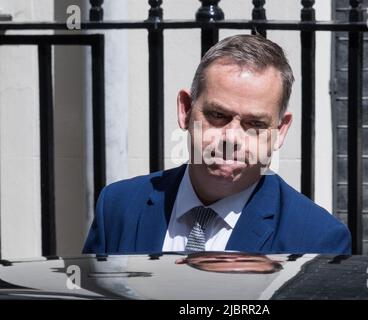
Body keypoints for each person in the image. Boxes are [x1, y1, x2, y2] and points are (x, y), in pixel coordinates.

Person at [83, 34, 351, 255]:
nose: (232, 138)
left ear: (280, 131)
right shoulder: (118, 208)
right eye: (218, 116)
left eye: (255, 124)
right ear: (186, 110)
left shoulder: (319, 240)